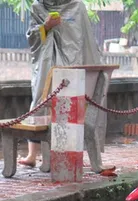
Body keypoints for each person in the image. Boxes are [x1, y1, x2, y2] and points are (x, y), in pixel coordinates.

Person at [19, 0, 101, 167]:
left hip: (72, 63)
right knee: (39, 104)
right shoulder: (38, 7)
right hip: (46, 64)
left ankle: (73, 153)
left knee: (72, 107)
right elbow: (32, 39)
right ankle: (32, 155)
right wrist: (46, 26)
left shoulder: (77, 7)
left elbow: (85, 40)